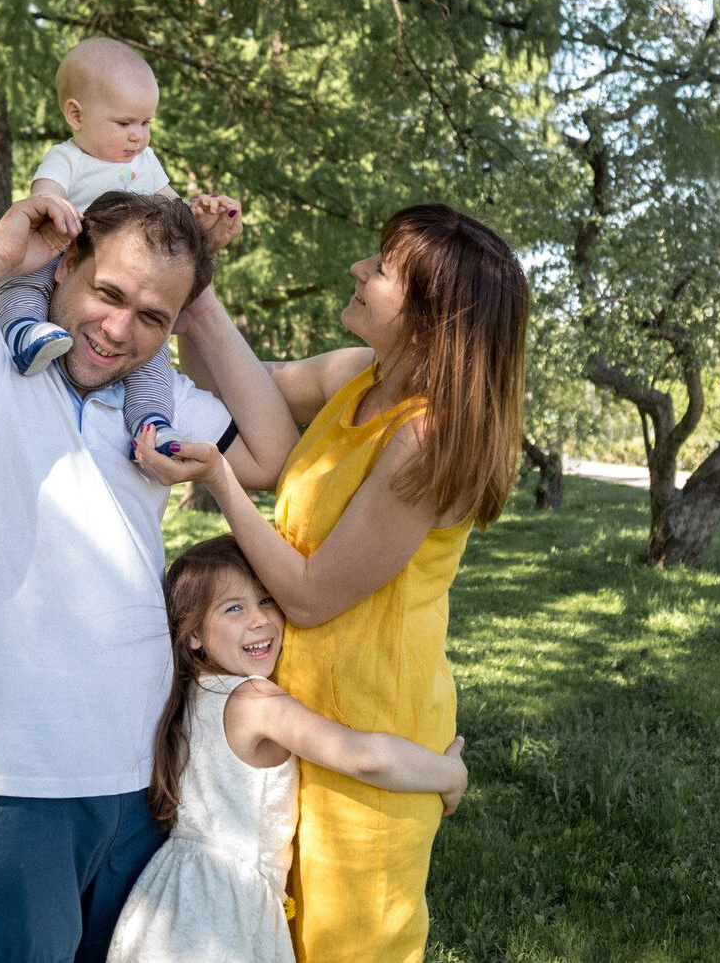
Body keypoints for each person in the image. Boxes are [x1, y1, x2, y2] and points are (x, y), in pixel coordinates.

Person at [0, 190, 298, 963]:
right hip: (11, 775)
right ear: (65, 264)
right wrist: (0, 256)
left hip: (142, 771)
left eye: (152, 316)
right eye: (109, 293)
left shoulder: (159, 402)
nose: (119, 330)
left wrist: (199, 306)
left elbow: (272, 455)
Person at [135, 202, 530, 962]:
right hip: (297, 719)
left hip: (370, 733)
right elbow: (235, 383)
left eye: (381, 269)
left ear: (429, 320)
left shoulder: (427, 436)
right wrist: (200, 276)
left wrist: (221, 480)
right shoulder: (360, 375)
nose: (358, 268)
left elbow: (313, 594)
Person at [106, 535, 468, 963]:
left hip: (171, 900)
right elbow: (364, 757)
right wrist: (450, 775)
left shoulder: (191, 693)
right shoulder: (256, 701)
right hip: (224, 912)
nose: (259, 619)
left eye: (266, 599)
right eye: (234, 608)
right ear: (193, 635)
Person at [0, 35, 240, 454]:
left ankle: (152, 422)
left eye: (145, 124)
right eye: (124, 124)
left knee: (152, 354)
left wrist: (199, 219)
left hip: (122, 277)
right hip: (62, 250)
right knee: (21, 282)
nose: (137, 138)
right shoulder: (66, 158)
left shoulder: (145, 163)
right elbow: (46, 196)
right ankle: (24, 331)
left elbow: (170, 210)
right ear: (76, 114)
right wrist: (55, 206)